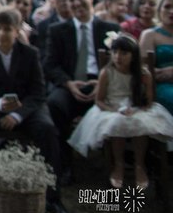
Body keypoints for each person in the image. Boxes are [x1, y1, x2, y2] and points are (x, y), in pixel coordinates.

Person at [0, 7, 69, 213]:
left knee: (48, 129)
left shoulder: (30, 54)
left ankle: (52, 196)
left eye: (8, 29)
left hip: (27, 110)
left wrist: (17, 115)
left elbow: (38, 93)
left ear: (17, 31)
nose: (3, 33)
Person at [68, 32, 173, 189]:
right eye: (115, 52)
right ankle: (118, 164)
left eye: (124, 53)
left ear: (134, 55)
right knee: (117, 122)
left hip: (137, 107)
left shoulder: (143, 74)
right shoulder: (107, 72)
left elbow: (149, 102)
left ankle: (139, 164)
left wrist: (137, 110)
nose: (118, 57)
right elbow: (99, 100)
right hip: (111, 107)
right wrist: (114, 109)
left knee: (140, 122)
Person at [43, 0, 120, 178]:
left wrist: (101, 83)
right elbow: (50, 65)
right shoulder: (58, 30)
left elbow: (119, 64)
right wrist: (68, 83)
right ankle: (64, 165)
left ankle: (115, 166)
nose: (76, 4)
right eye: (71, 0)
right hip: (70, 85)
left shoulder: (110, 28)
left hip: (102, 86)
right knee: (54, 105)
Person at [138, 0, 173, 115]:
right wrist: (164, 73)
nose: (172, 11)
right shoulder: (150, 35)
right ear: (159, 10)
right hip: (160, 86)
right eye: (167, 7)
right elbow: (143, 68)